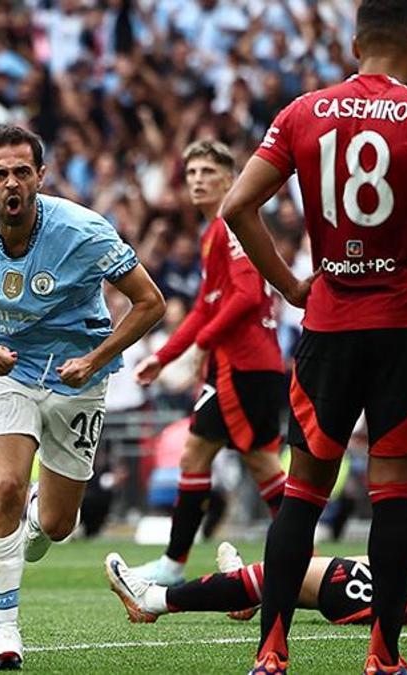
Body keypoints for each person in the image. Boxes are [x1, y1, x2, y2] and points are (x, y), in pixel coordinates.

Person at [218, 1, 407, 672]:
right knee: (394, 495)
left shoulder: (302, 112)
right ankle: (382, 657)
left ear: (353, 46)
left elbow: (237, 206)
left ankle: (270, 651)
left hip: (328, 325)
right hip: (406, 326)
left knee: (302, 492)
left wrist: (291, 284)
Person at [0, 124, 165, 670]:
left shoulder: (84, 230)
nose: (12, 183)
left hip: (80, 378)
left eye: (22, 172)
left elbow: (150, 303)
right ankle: (6, 634)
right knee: (4, 485)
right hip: (8, 370)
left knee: (57, 525)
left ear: (41, 177)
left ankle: (35, 520)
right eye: (0, 173)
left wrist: (96, 359)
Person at [106, 432, 407, 630]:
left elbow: (406, 581)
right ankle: (246, 597)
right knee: (295, 576)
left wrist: (387, 542)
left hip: (404, 607)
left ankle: (153, 601)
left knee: (287, 570)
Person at [131, 140, 287, 586]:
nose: (197, 180)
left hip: (243, 365)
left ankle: (173, 565)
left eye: (207, 172)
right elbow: (205, 305)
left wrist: (204, 341)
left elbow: (247, 296)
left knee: (205, 455)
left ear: (229, 179)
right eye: (192, 172)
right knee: (254, 464)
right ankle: (304, 559)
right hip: (243, 366)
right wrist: (162, 357)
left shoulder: (233, 224)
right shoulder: (214, 232)